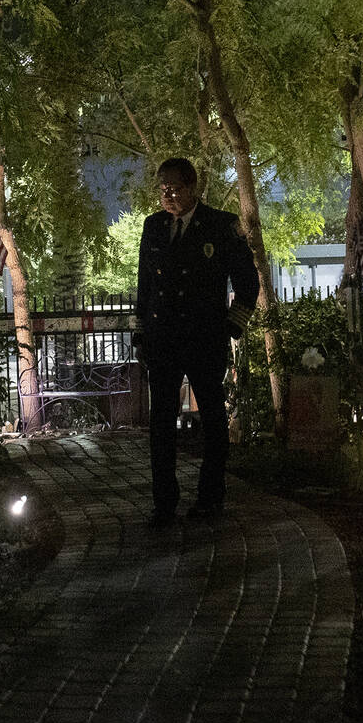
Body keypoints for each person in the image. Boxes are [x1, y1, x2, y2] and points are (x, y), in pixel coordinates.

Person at [133, 158, 260, 527]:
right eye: (162, 188)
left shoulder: (221, 226)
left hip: (204, 338)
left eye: (174, 187)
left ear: (193, 188)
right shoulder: (153, 227)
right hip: (164, 340)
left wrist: (232, 327)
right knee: (161, 423)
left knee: (213, 419)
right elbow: (146, 285)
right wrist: (140, 331)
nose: (167, 195)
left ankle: (210, 496)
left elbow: (247, 282)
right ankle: (163, 502)